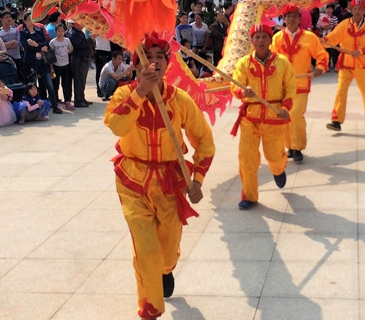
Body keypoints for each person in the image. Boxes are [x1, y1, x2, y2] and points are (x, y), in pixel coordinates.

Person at [103, 34, 215, 320]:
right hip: (133, 181)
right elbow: (116, 126)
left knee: (166, 250)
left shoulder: (180, 100)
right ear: (137, 65)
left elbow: (204, 140)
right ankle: (150, 307)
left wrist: (198, 179)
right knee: (146, 249)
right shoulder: (123, 94)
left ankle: (165, 270)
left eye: (159, 57)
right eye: (146, 58)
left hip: (169, 181)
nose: (153, 62)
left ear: (168, 64)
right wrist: (140, 92)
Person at [231, 25, 294, 209]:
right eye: (257, 37)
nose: (260, 41)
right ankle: (249, 196)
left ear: (270, 40)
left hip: (274, 117)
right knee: (247, 159)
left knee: (273, 157)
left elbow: (290, 87)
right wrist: (244, 92)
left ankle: (278, 168)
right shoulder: (244, 63)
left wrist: (285, 107)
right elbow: (235, 86)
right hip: (250, 118)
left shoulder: (282, 62)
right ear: (252, 40)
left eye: (264, 37)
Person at [270, 4, 328, 163]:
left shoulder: (310, 37)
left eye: (294, 16)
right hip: (282, 85)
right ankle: (290, 146)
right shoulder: (277, 38)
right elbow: (271, 60)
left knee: (295, 114)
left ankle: (298, 146)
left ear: (299, 18)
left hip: (301, 84)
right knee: (284, 115)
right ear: (284, 19)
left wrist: (320, 67)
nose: (291, 19)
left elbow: (321, 54)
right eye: (288, 16)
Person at [323, 0, 365, 130]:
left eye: (360, 9)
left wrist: (362, 51)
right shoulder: (344, 24)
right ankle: (336, 120)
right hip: (346, 63)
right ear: (351, 10)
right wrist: (325, 40)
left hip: (363, 63)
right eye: (355, 9)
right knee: (341, 91)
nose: (357, 11)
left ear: (364, 10)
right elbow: (334, 37)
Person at [20, 14, 61, 114]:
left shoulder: (39, 29)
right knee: (32, 85)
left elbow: (45, 43)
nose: (31, 21)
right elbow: (27, 47)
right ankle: (33, 107)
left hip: (43, 61)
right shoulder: (23, 33)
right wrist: (39, 47)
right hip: (31, 62)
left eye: (32, 19)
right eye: (29, 20)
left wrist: (37, 45)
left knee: (49, 84)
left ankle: (54, 105)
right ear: (25, 21)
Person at [66, 19, 93, 107]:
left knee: (82, 80)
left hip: (83, 58)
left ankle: (81, 97)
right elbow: (81, 45)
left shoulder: (79, 32)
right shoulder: (73, 34)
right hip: (78, 59)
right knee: (79, 80)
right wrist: (90, 39)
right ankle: (78, 100)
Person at [49, 23, 74, 110]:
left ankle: (67, 101)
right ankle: (56, 101)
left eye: (62, 31)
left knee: (66, 84)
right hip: (56, 65)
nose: (61, 33)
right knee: (56, 84)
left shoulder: (67, 40)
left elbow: (71, 48)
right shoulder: (53, 42)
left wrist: (67, 51)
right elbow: (50, 56)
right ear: (56, 32)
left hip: (66, 65)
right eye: (59, 31)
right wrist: (51, 68)